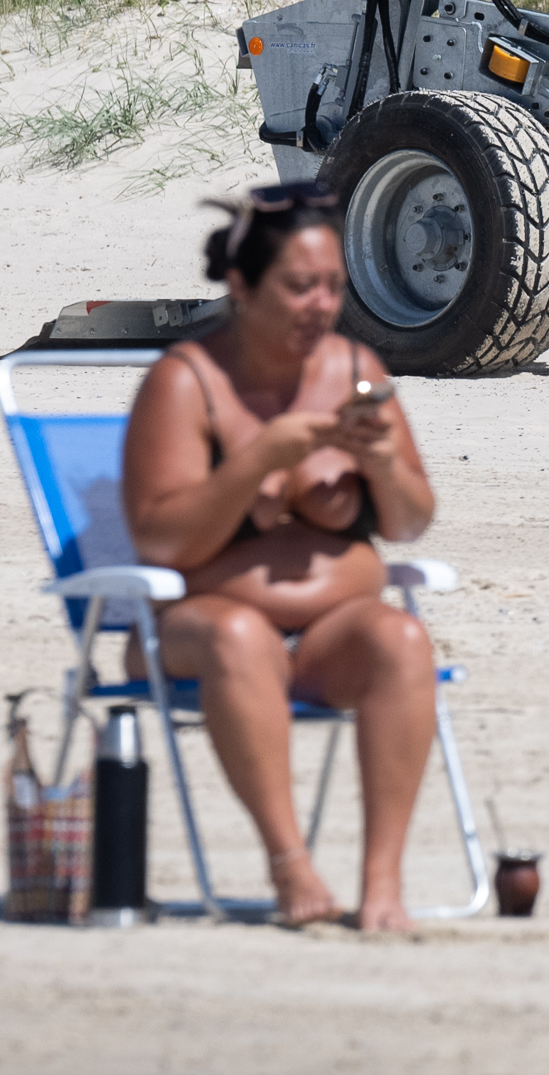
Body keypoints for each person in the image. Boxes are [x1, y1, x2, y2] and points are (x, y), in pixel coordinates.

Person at [119, 182, 441, 930]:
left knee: (400, 638)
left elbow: (411, 523)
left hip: (329, 634)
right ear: (242, 286)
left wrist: (386, 466)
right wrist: (257, 458)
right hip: (199, 632)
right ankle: (289, 863)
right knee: (239, 636)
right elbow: (160, 540)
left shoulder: (356, 367)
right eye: (299, 287)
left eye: (332, 286)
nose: (320, 305)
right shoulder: (187, 382)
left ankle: (381, 882)